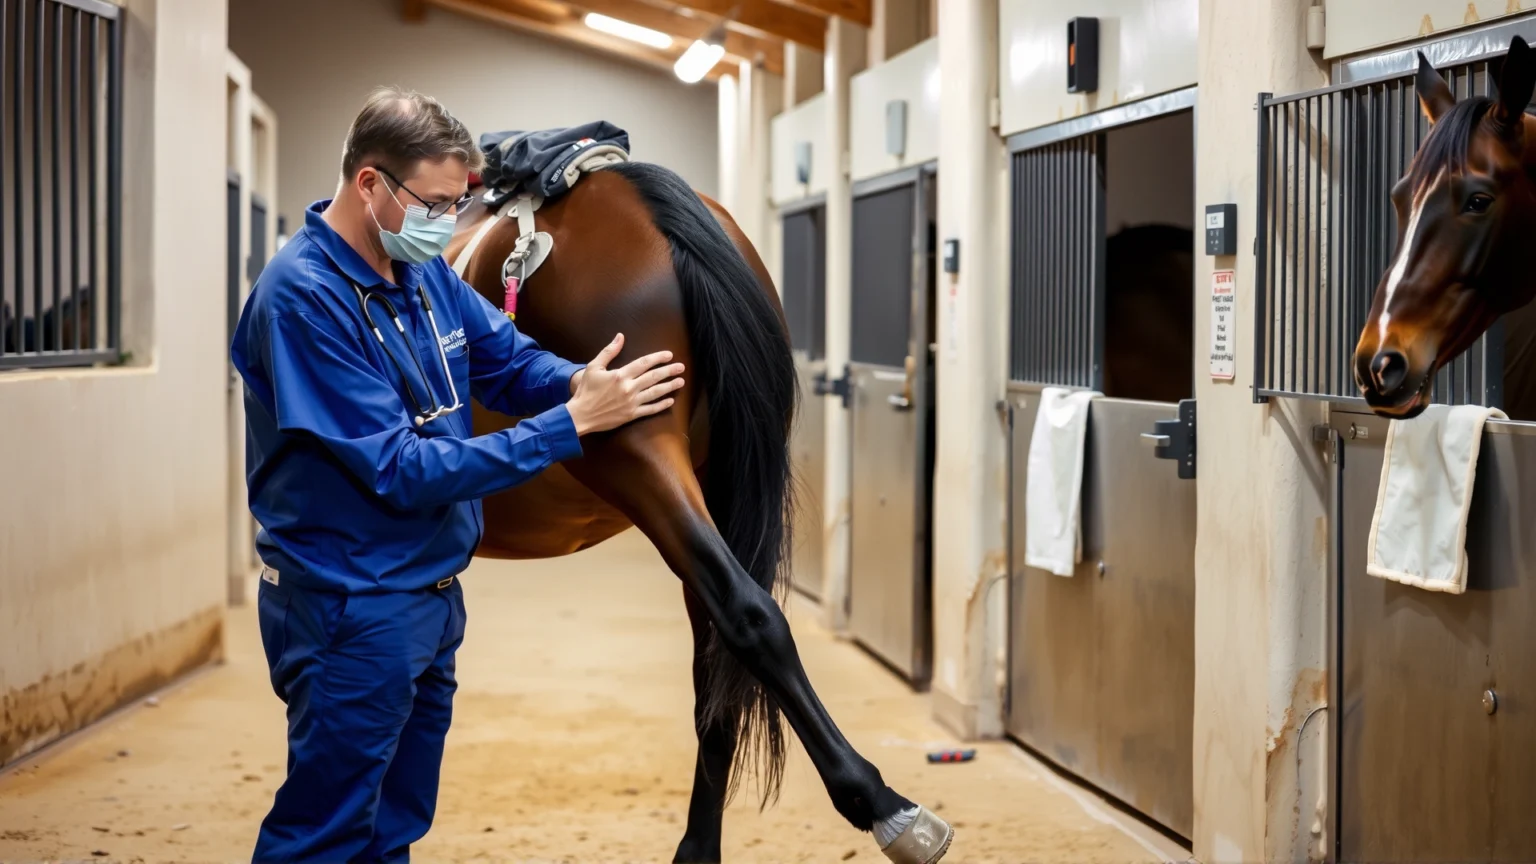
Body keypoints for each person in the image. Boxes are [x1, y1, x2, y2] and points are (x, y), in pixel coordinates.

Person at [230, 86, 684, 862]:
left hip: (428, 599)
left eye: (458, 201)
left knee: (394, 825)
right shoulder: (304, 300)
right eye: (435, 202)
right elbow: (402, 470)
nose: (447, 220)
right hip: (352, 603)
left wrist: (580, 382)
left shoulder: (418, 271)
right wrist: (569, 426)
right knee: (326, 833)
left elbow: (505, 363)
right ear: (369, 183)